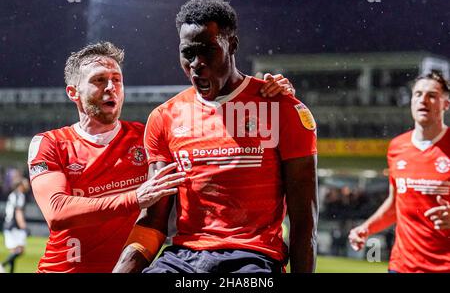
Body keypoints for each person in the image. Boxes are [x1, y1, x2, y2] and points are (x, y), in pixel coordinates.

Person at [28, 42, 294, 273]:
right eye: (99, 80)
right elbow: (57, 212)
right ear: (73, 92)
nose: (111, 87)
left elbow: (213, 134)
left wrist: (266, 94)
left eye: (117, 79)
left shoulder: (147, 137)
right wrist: (135, 198)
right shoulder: (50, 143)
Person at [113, 0, 318, 273]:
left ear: (231, 45)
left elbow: (304, 221)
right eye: (188, 53)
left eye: (208, 50)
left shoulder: (282, 109)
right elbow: (153, 220)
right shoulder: (164, 117)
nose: (196, 64)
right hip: (182, 259)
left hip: (252, 259)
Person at [348, 72, 450, 273]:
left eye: (432, 95)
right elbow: (395, 204)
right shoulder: (397, 147)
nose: (423, 100)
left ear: (446, 103)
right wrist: (366, 228)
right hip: (402, 266)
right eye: (418, 94)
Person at [0, 178, 30, 273]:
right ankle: (2, 265)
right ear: (20, 185)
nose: (27, 185)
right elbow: (18, 212)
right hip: (14, 226)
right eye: (25, 183)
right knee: (20, 250)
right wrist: (23, 226)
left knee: (14, 252)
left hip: (8, 225)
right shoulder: (19, 195)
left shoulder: (13, 194)